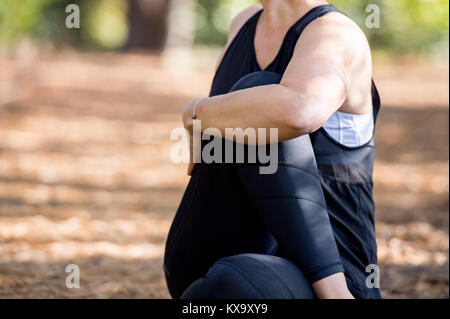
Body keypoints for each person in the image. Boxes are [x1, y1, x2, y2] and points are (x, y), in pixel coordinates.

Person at [164, 0, 381, 299]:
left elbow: (299, 111)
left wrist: (196, 112)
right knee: (218, 284)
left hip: (331, 276)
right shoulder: (243, 23)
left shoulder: (336, 34)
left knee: (260, 92)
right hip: (219, 266)